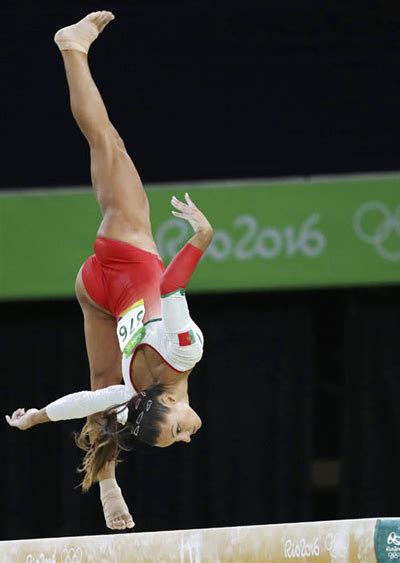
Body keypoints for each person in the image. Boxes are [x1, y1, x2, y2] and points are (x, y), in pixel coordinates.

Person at [5, 11, 213, 531]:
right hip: (96, 292)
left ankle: (72, 48)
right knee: (101, 379)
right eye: (180, 438)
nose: (188, 436)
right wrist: (37, 417)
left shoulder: (184, 352)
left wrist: (202, 238)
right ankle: (108, 487)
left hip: (127, 255)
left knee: (108, 144)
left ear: (165, 402)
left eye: (176, 433)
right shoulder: (131, 395)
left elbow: (170, 285)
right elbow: (88, 400)